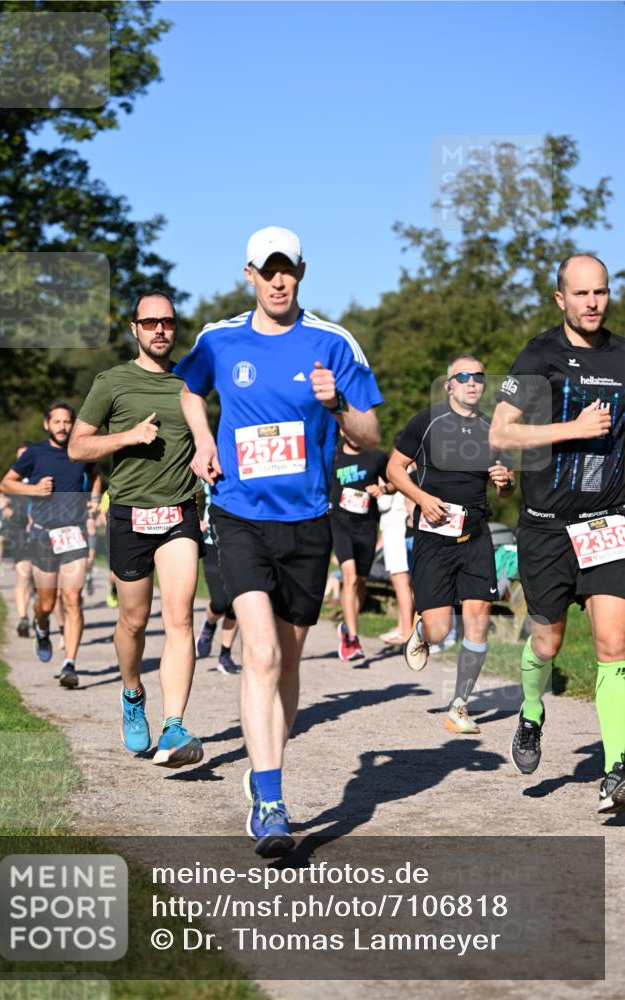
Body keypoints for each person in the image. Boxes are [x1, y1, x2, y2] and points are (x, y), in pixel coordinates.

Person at [176, 226, 383, 856]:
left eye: (286, 269)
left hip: (308, 521)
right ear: (249, 275)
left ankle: (264, 769)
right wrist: (203, 441)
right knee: (261, 655)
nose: (277, 280)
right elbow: (189, 390)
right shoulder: (219, 339)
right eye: (267, 271)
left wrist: (337, 402)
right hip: (238, 515)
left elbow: (370, 435)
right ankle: (271, 801)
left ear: (301, 271)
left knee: (288, 665)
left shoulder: (332, 341)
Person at [490, 254, 625, 815]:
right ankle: (530, 712)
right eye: (582, 293)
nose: (593, 303)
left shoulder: (622, 356)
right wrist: (574, 427)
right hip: (546, 528)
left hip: (607, 521)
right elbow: (501, 432)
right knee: (546, 643)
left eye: (601, 292)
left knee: (614, 644)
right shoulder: (538, 355)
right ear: (560, 299)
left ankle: (617, 768)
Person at [68, 290, 203, 768]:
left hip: (180, 511)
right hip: (130, 514)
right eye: (150, 323)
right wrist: (128, 436)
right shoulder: (112, 382)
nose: (160, 330)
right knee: (133, 621)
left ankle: (175, 725)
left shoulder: (191, 382)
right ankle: (131, 693)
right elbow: (77, 447)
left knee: (180, 617)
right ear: (134, 328)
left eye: (167, 321)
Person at [387, 355, 515, 735]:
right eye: (463, 376)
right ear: (449, 385)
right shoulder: (426, 422)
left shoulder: (494, 430)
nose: (472, 382)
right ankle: (423, 632)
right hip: (434, 535)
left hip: (475, 534)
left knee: (478, 617)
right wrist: (421, 498)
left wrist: (506, 483)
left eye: (478, 376)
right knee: (440, 629)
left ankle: (459, 705)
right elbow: (394, 469)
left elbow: (508, 487)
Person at [0, 402, 97, 688]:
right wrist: (34, 489)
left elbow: (95, 475)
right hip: (43, 535)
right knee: (46, 602)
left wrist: (93, 500)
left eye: (67, 422)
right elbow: (6, 483)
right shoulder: (35, 453)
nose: (63, 427)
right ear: (47, 424)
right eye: (57, 422)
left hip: (74, 533)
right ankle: (41, 625)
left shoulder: (82, 450)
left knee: (73, 598)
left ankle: (70, 664)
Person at [329, 437, 392, 660]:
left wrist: (382, 488)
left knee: (361, 582)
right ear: (343, 431)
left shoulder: (377, 456)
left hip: (366, 527)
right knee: (350, 576)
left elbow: (395, 482)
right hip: (339, 523)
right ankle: (352, 639)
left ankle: (347, 627)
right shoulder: (333, 454)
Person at [196, 483, 241, 676]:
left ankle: (225, 654)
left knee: (237, 601)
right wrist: (196, 519)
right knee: (221, 602)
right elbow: (188, 493)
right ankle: (209, 624)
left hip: (241, 541)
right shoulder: (205, 468)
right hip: (211, 541)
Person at [377, 490, 415, 646]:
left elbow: (384, 503)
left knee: (400, 580)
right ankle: (402, 627)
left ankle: (406, 632)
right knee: (402, 581)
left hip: (397, 528)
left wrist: (380, 489)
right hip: (396, 527)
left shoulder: (393, 479)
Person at [5, 442, 34, 636]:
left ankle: (41, 616)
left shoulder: (41, 476)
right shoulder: (12, 478)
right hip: (20, 530)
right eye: (19, 456)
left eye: (26, 455)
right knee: (23, 574)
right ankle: (23, 617)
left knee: (38, 578)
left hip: (41, 529)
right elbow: (4, 496)